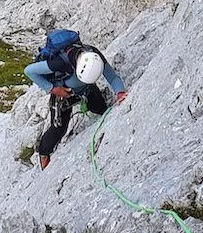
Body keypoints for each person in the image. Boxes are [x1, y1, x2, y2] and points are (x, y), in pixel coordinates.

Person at [24, 32, 127, 170]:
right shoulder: (60, 63)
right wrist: (53, 89)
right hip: (63, 94)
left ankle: (91, 99)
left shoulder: (94, 55)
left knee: (100, 108)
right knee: (59, 129)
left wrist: (120, 92)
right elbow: (29, 71)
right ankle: (43, 153)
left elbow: (112, 77)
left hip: (86, 87)